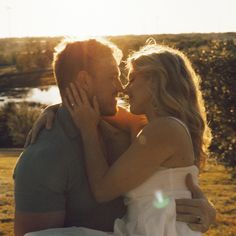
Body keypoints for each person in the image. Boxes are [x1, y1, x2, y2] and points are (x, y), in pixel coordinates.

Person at [14, 39, 216, 236]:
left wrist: (87, 130)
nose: (123, 88)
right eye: (113, 77)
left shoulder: (161, 129)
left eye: (131, 79)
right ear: (84, 81)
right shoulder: (138, 124)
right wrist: (56, 108)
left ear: (156, 83)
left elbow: (103, 190)